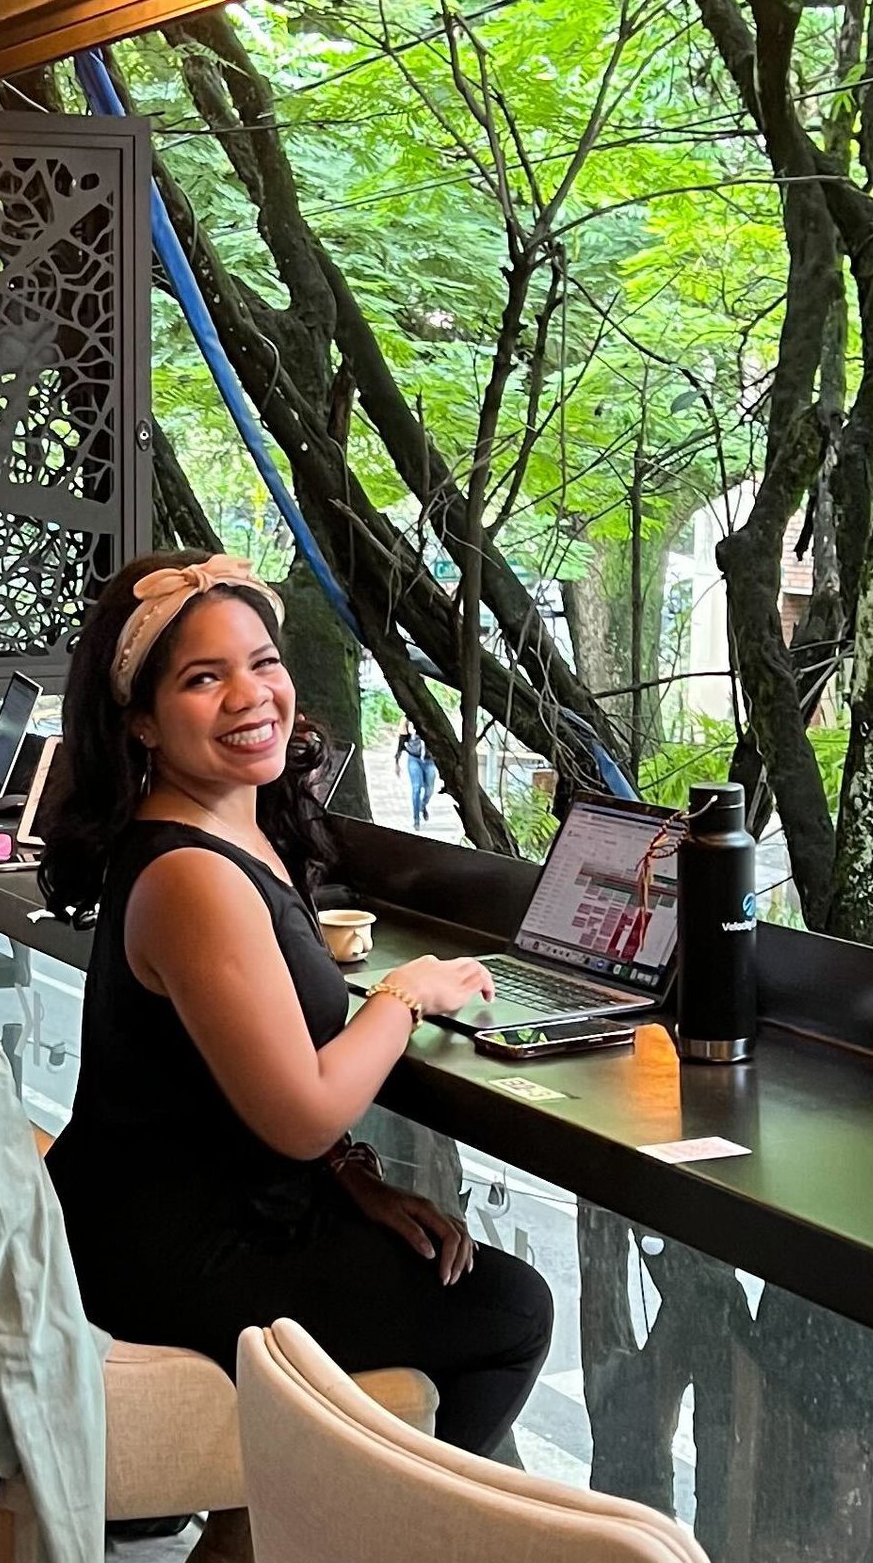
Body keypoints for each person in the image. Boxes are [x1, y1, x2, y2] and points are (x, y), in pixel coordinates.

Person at [35, 552, 553, 1457]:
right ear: (145, 724)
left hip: (179, 1215)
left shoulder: (231, 829)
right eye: (205, 677)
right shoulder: (192, 873)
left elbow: (227, 1099)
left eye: (263, 662)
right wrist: (404, 994)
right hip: (168, 1259)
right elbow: (302, 1115)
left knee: (453, 1273)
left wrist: (352, 1181)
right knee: (508, 1311)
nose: (252, 694)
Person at [397, 722, 434, 830]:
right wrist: (397, 762)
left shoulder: (430, 720)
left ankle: (423, 805)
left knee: (429, 789)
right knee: (416, 788)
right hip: (414, 758)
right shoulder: (407, 721)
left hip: (429, 760)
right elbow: (401, 740)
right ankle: (416, 819)